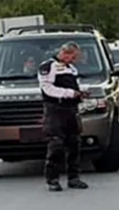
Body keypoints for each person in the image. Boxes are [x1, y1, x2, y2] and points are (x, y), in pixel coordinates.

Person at [37, 42, 90, 191]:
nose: (74, 60)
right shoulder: (48, 67)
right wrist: (70, 93)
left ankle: (74, 178)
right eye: (72, 57)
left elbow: (74, 87)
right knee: (56, 144)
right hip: (55, 110)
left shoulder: (71, 69)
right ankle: (52, 179)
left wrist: (81, 92)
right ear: (65, 53)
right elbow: (47, 89)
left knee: (74, 144)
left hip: (71, 110)